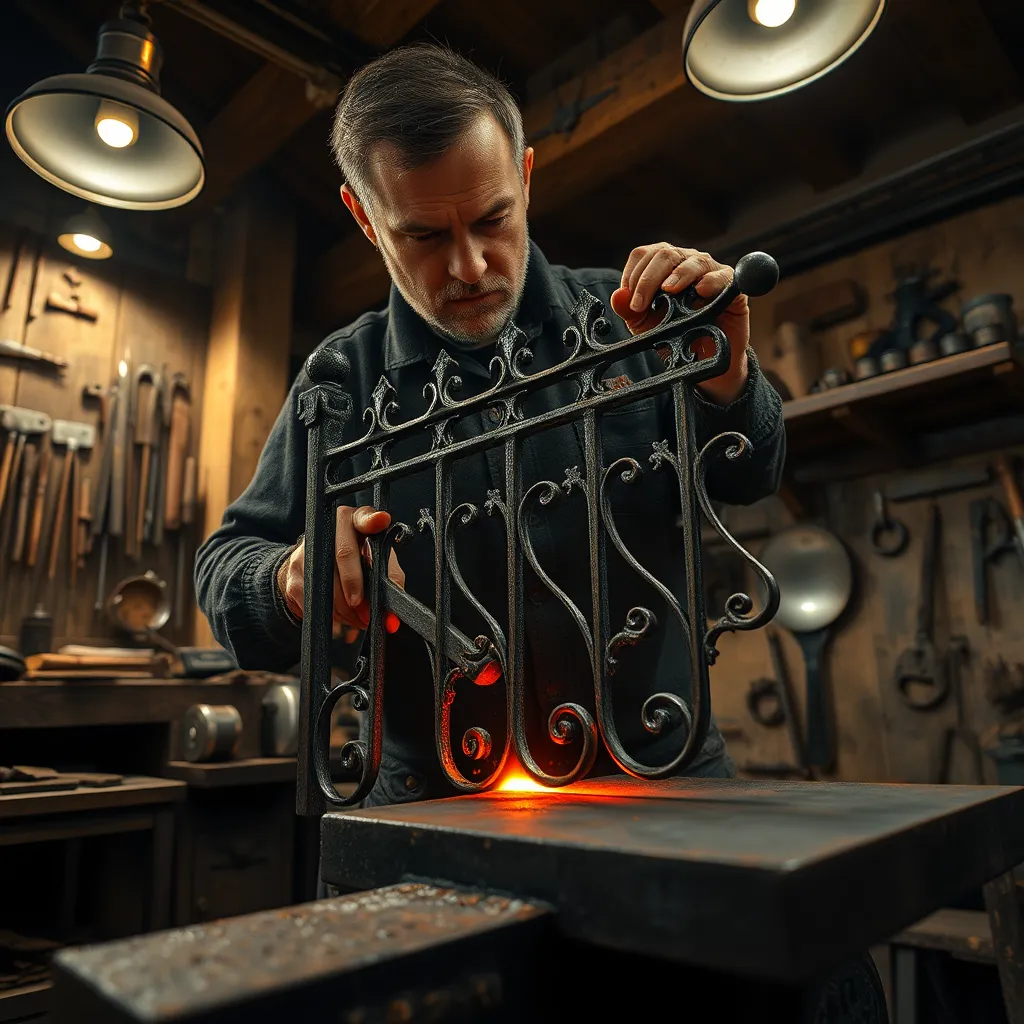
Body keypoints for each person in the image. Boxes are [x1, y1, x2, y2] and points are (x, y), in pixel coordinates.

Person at [195, 42, 786, 810]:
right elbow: (223, 569)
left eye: (492, 218)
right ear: (365, 219)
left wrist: (726, 373)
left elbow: (753, 473)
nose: (470, 267)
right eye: (425, 236)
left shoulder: (636, 322)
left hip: (660, 769)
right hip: (431, 798)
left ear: (526, 178)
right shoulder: (341, 381)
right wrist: (290, 579)